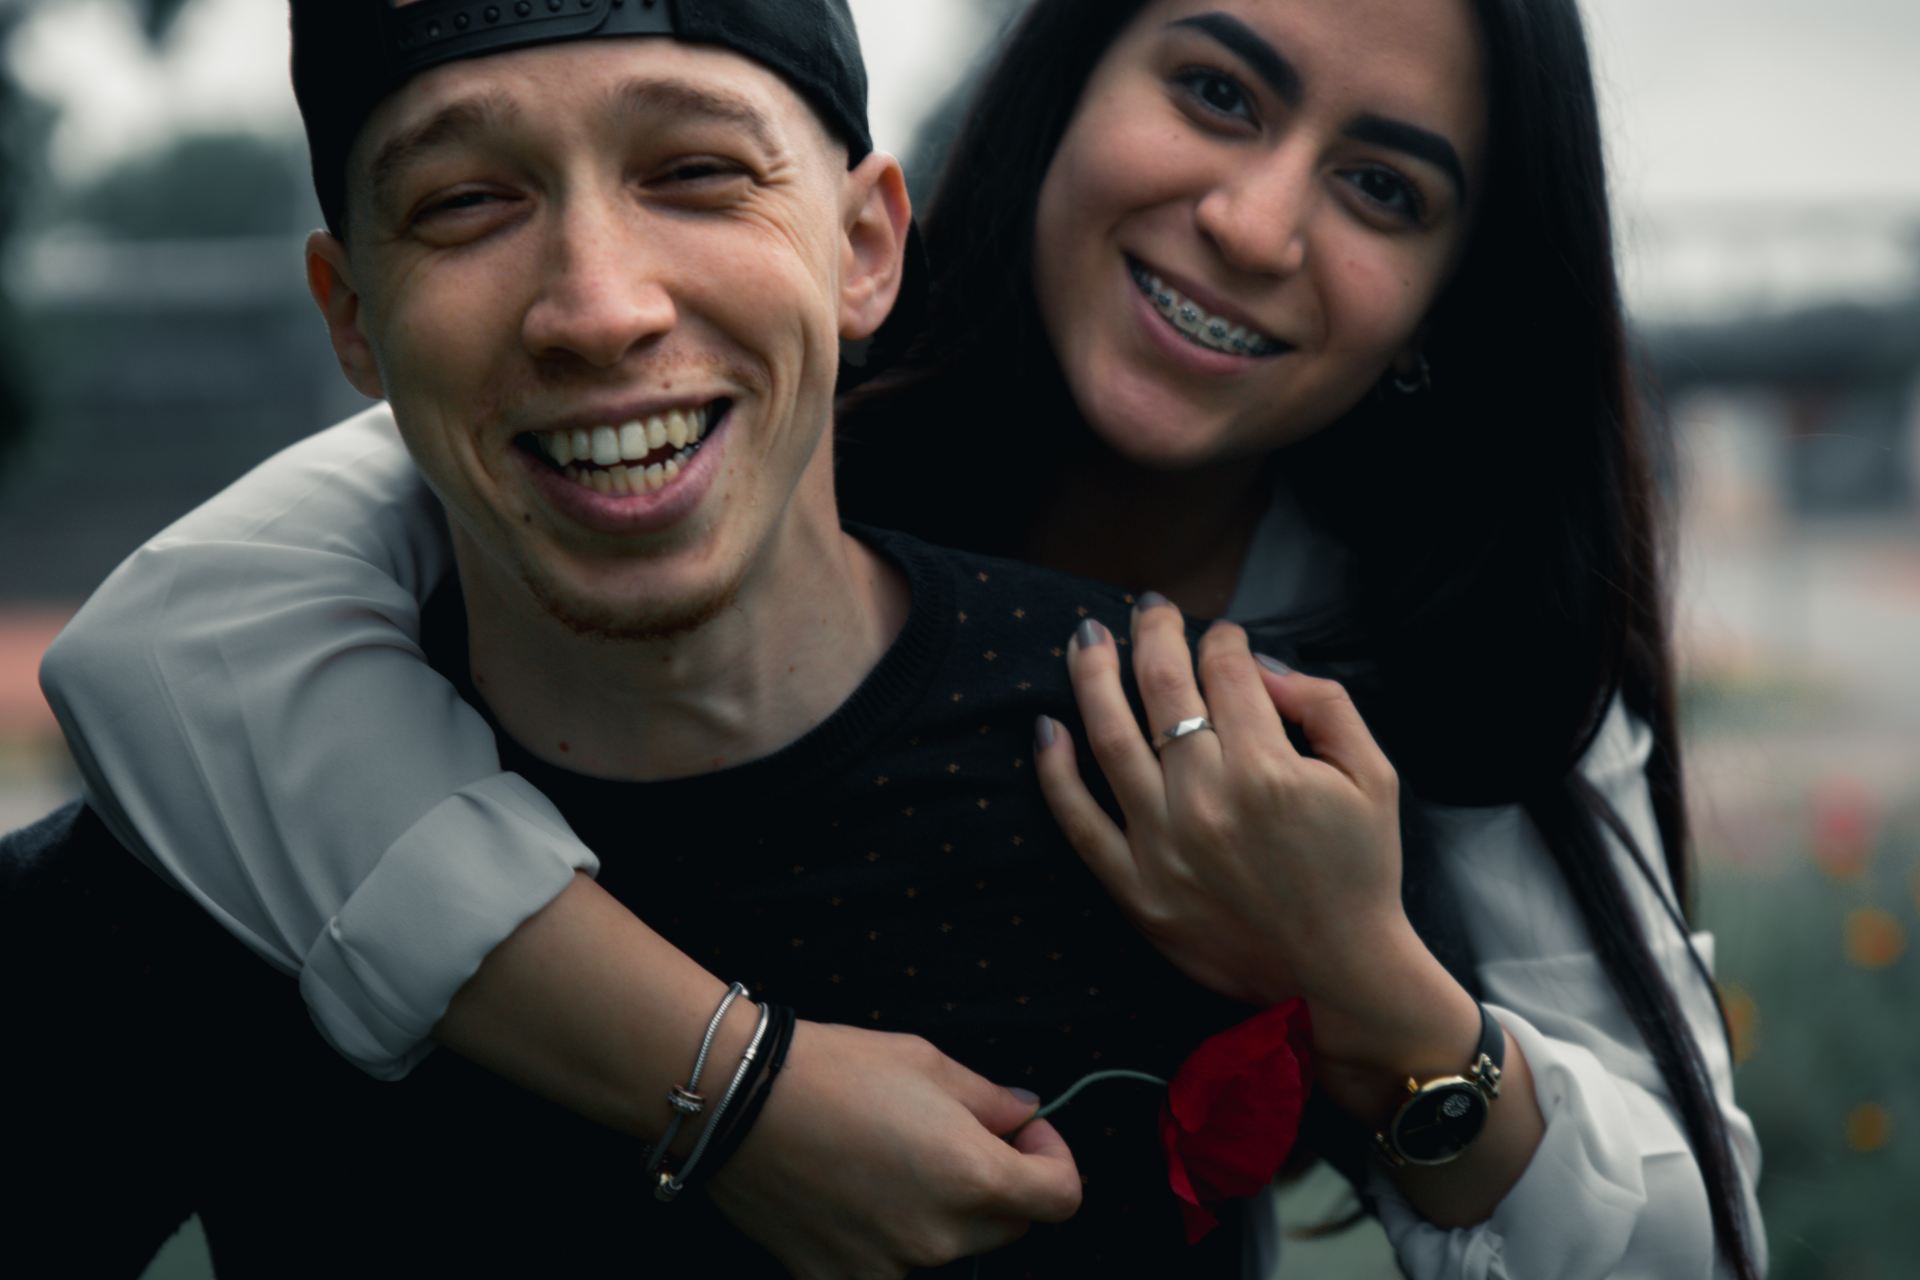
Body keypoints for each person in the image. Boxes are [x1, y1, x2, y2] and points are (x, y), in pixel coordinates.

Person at [35, 0, 1765, 1277]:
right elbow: (181, 648)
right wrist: (730, 1091)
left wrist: (1365, 977)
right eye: (1216, 91)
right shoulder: (677, 382)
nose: (1253, 220)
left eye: (1385, 189)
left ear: (1449, 307)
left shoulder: (1455, 636)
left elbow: (1681, 1238)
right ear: (1064, 86)